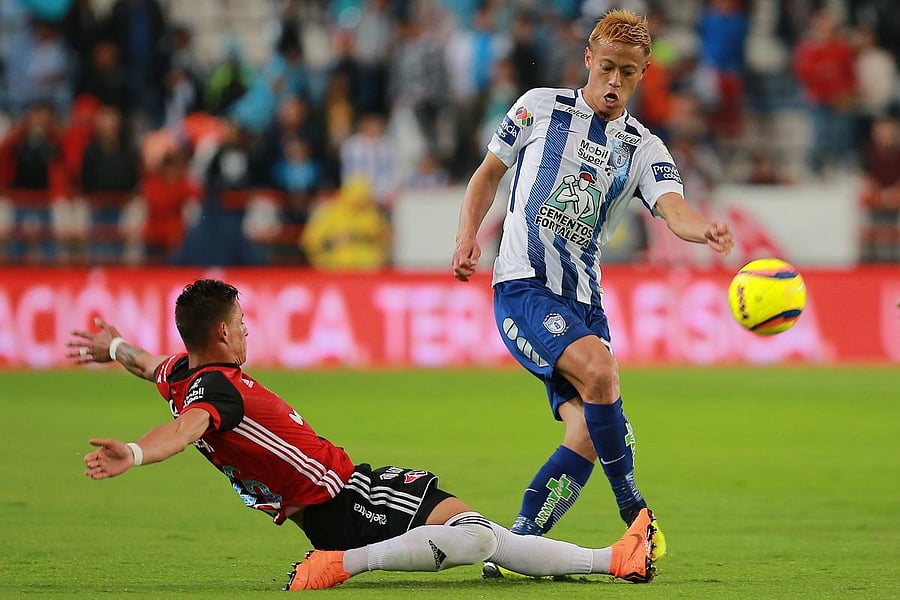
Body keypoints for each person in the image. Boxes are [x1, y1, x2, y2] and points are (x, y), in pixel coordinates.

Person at [67, 278, 660, 591]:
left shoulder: (183, 374)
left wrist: (112, 347)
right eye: (242, 324)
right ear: (222, 334)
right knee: (478, 541)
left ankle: (615, 559)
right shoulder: (217, 391)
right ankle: (342, 564)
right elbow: (185, 428)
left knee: (483, 537)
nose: (248, 333)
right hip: (344, 496)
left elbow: (151, 366)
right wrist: (138, 452)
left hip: (335, 496)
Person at [451, 9, 734, 577]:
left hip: (583, 301)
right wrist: (466, 238)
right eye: (606, 67)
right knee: (603, 375)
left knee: (586, 432)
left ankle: (516, 551)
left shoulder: (643, 146)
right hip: (524, 288)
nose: (613, 82)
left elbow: (671, 206)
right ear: (587, 59)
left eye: (627, 73)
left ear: (643, 73)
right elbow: (487, 174)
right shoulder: (537, 106)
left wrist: (701, 227)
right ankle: (635, 511)